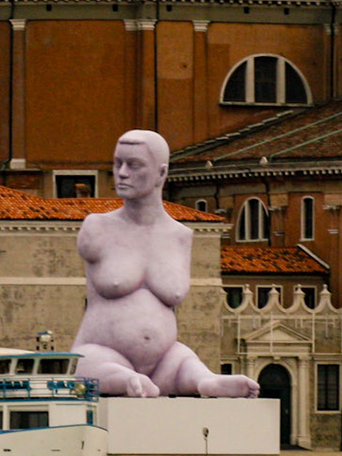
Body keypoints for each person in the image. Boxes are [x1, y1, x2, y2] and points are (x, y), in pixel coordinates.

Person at [70, 131, 261, 398]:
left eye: (134, 165)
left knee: (185, 359)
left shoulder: (181, 236)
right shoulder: (97, 227)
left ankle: (204, 380)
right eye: (117, 163)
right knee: (88, 363)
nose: (122, 173)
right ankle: (128, 380)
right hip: (101, 352)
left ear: (161, 173)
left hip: (165, 361)